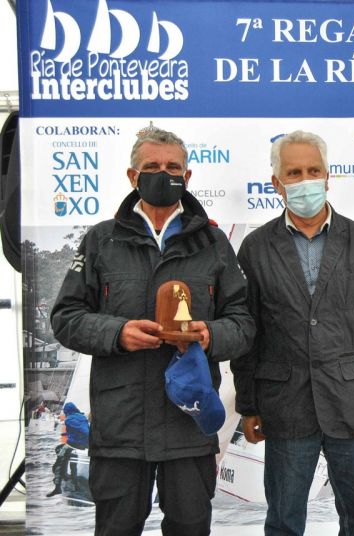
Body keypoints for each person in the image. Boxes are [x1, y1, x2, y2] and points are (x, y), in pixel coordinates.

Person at [50, 126, 255, 536]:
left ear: (187, 176)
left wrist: (209, 335)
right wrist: (117, 333)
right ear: (133, 176)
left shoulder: (214, 242)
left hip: (189, 424)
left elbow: (244, 323)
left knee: (190, 528)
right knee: (117, 529)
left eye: (173, 168)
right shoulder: (101, 240)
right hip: (120, 427)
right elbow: (66, 317)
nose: (164, 174)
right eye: (152, 166)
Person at [231, 130, 354, 536]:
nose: (305, 180)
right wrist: (248, 405)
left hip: (352, 404)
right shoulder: (255, 248)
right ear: (277, 183)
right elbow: (247, 334)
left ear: (328, 177)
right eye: (294, 173)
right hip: (285, 406)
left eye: (313, 171)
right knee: (284, 522)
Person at [47, 401, 89, 497]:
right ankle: (75, 484)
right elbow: (84, 430)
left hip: (73, 444)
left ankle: (57, 488)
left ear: (67, 411)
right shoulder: (83, 417)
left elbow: (81, 431)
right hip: (83, 446)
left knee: (58, 462)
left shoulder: (69, 419)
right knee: (73, 461)